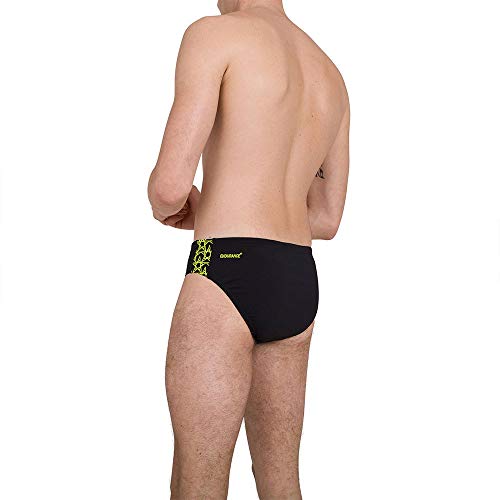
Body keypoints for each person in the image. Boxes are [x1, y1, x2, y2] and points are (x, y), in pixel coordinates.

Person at [147, 0, 349, 497]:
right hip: (296, 277)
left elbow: (169, 187)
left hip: (223, 269)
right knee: (281, 483)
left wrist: (186, 205)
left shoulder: (215, 34)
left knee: (197, 484)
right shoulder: (329, 72)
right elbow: (326, 219)